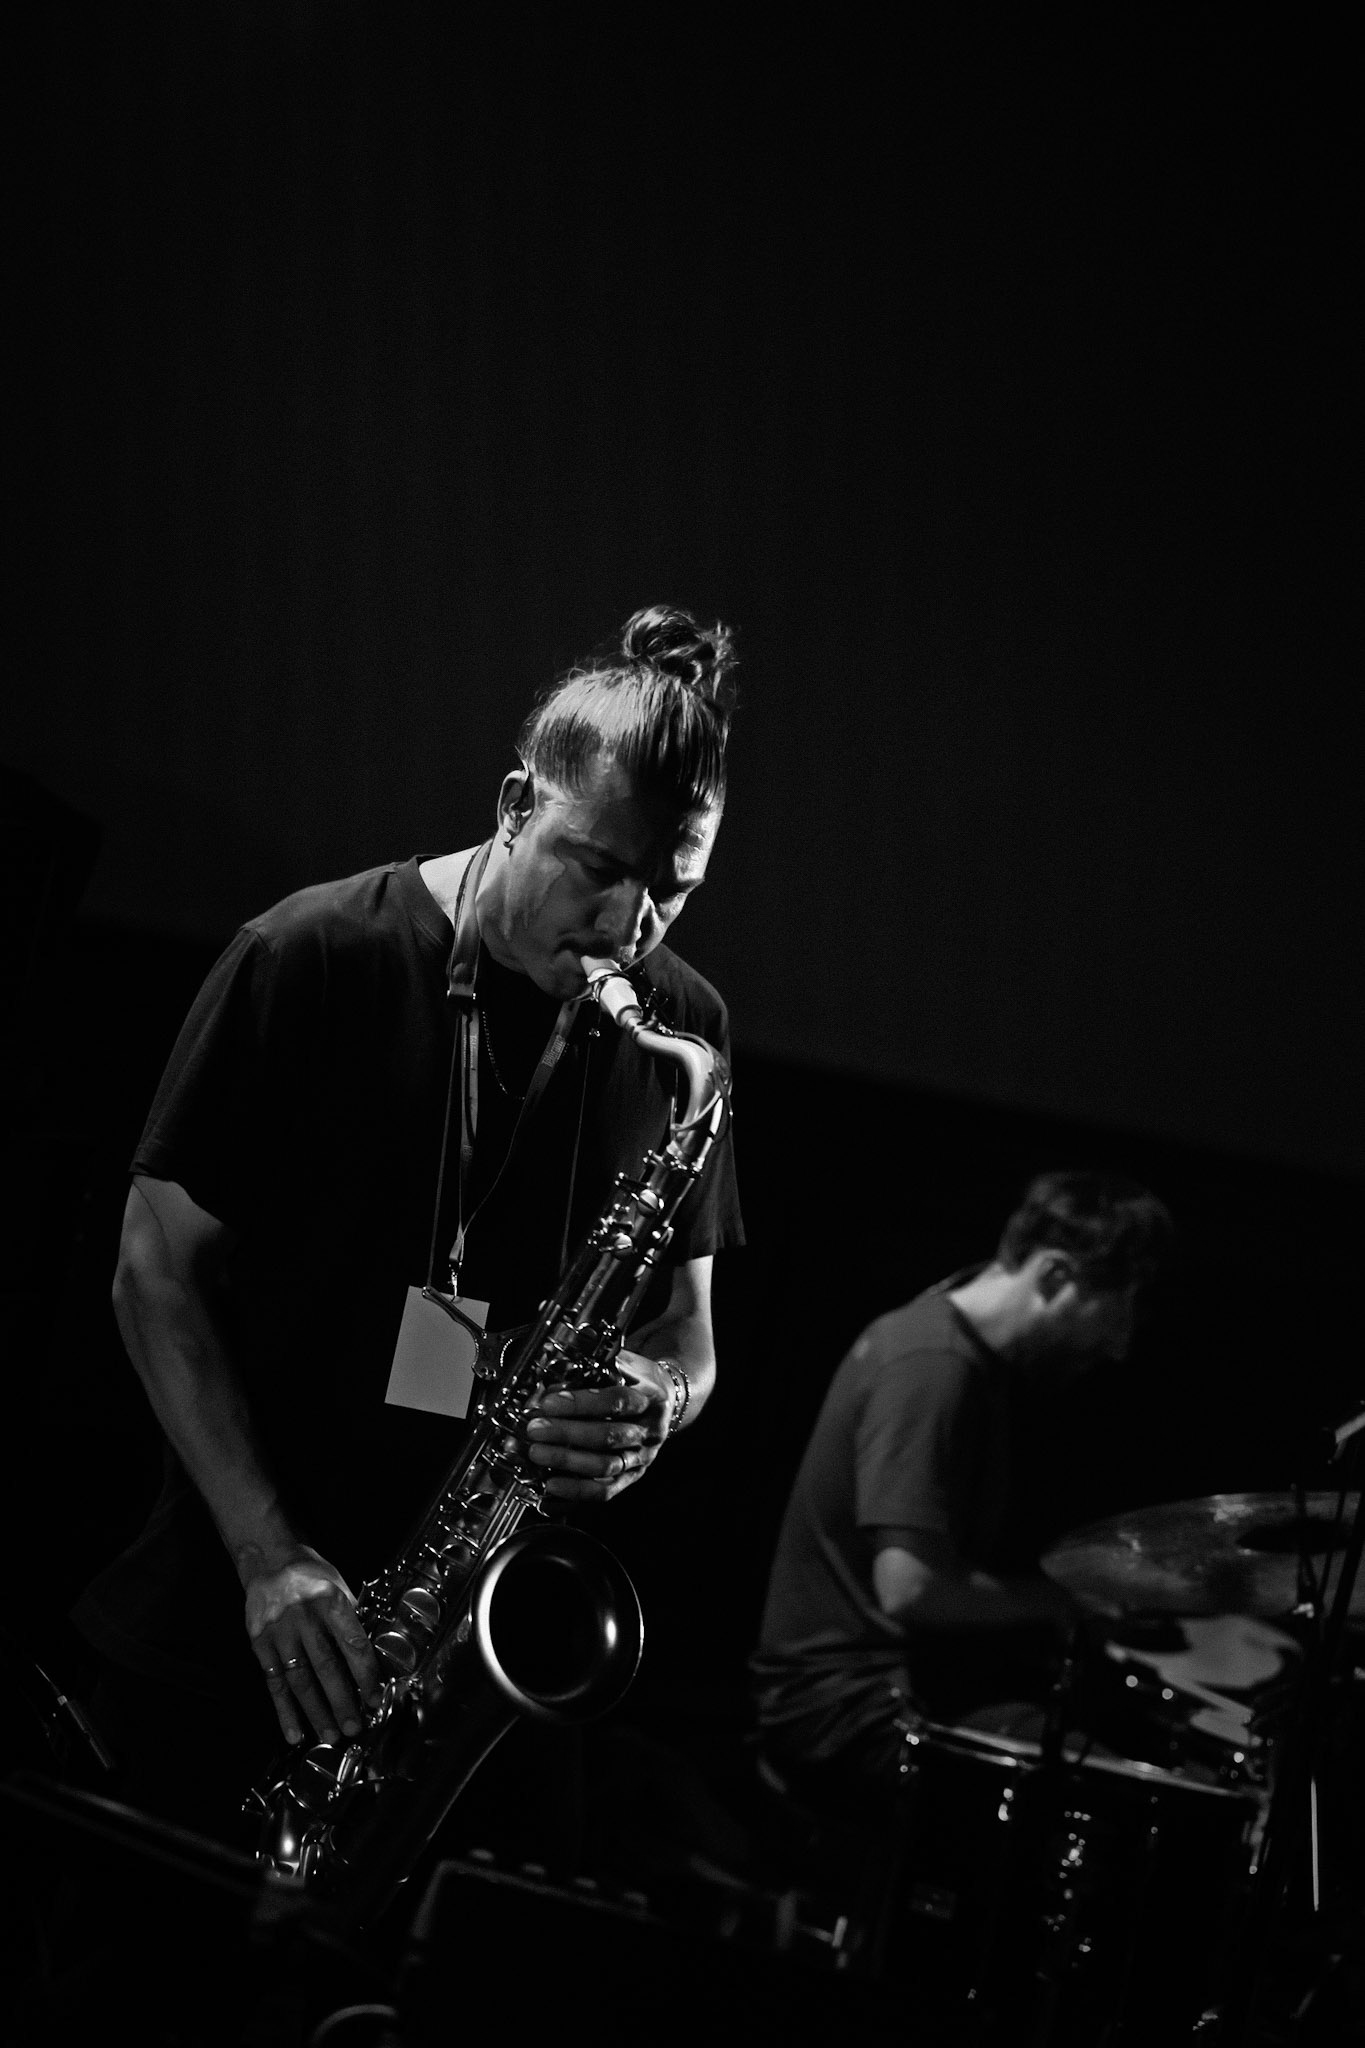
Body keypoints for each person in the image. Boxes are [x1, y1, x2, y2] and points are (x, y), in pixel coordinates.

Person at [71, 602, 745, 1841]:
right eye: (599, 867)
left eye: (672, 889)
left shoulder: (681, 1036)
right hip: (232, 1607)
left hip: (443, 1659)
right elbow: (149, 1269)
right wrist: (267, 1551)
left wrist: (659, 1395)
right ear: (512, 805)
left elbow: (692, 1332)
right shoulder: (311, 951)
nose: (626, 927)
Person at [749, 1170, 1171, 1794]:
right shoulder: (933, 1369)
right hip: (845, 1706)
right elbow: (911, 1589)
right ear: (1055, 1275)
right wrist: (1069, 1602)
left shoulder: (953, 1341)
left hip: (883, 1690)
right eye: (1118, 1308)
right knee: (1121, 1793)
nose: (1119, 1345)